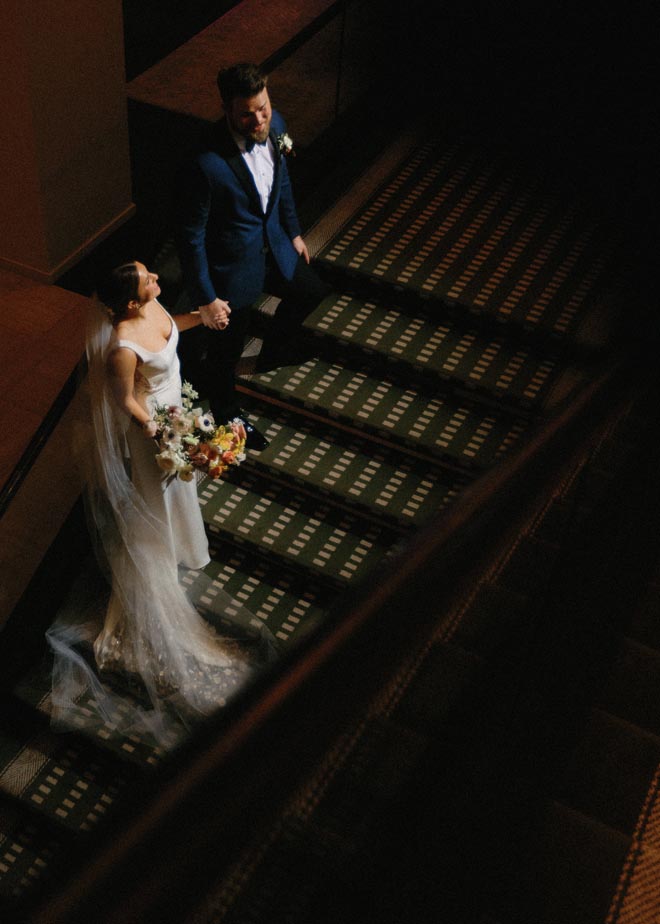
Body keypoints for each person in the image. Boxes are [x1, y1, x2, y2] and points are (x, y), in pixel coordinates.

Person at [46, 261, 272, 753]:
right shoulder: (122, 347)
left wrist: (203, 316)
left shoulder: (153, 307)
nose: (155, 280)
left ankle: (180, 543)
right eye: (148, 280)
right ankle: (155, 556)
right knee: (158, 492)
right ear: (129, 302)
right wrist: (157, 430)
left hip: (178, 410)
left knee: (181, 491)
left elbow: (174, 327)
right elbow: (124, 399)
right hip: (153, 427)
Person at [175, 62, 331, 448]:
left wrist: (293, 231)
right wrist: (207, 299)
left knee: (311, 292)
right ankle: (229, 415)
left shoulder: (276, 124)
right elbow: (189, 236)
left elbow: (284, 182)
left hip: (275, 244)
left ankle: (273, 349)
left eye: (263, 107)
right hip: (231, 270)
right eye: (248, 113)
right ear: (227, 109)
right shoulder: (205, 162)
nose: (259, 118)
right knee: (225, 355)